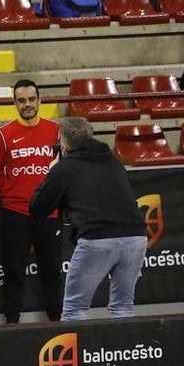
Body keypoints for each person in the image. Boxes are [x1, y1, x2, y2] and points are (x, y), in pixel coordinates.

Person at [30, 117, 148, 321]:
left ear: (63, 143)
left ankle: (81, 353)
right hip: (136, 239)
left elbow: (37, 208)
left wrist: (51, 172)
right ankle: (123, 350)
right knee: (123, 307)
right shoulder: (114, 161)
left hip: (97, 239)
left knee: (75, 310)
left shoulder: (64, 169)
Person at [0, 80, 63, 323]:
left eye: (32, 99)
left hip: (49, 214)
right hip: (15, 213)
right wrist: (11, 196)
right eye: (22, 100)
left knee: (52, 271)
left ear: (40, 100)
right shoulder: (3, 135)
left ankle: (56, 320)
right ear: (15, 103)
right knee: (14, 272)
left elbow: (66, 168)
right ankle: (12, 323)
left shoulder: (56, 131)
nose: (27, 104)